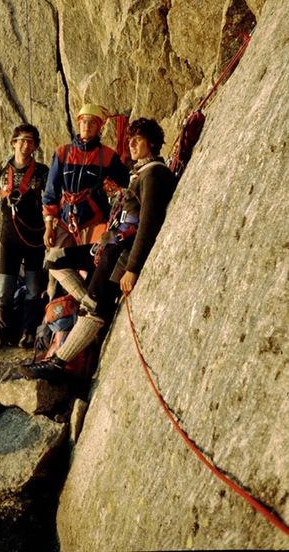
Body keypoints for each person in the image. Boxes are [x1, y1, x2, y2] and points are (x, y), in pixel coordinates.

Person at [19, 117, 176, 380]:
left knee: (93, 306)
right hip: (108, 247)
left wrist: (133, 268)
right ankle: (87, 305)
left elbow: (148, 224)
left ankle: (58, 363)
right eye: (130, 139)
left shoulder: (154, 173)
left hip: (119, 256)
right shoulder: (140, 172)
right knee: (55, 259)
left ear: (152, 143)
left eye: (138, 140)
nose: (132, 144)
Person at [42, 103, 130, 299]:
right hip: (66, 221)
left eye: (92, 123)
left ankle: (87, 299)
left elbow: (126, 180)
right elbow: (51, 190)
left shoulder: (106, 156)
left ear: (99, 128)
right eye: (84, 122)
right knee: (52, 265)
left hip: (93, 219)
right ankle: (78, 300)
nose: (87, 126)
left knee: (94, 263)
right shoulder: (62, 153)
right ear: (78, 124)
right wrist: (49, 225)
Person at [0, 124, 49, 349]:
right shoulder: (1, 168)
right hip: (9, 236)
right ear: (13, 143)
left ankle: (28, 333)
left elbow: (51, 197)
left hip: (34, 237)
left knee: (33, 288)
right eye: (21, 140)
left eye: (30, 141)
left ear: (35, 146)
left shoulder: (42, 171)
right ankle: (0, 334)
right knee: (4, 289)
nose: (25, 145)